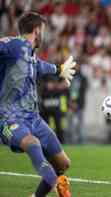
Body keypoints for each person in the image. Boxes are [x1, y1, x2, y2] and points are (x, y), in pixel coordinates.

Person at [0, 12, 76, 197]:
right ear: (37, 31)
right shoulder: (15, 45)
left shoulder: (30, 56)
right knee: (34, 147)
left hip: (34, 119)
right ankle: (46, 185)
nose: (45, 34)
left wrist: (59, 70)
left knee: (63, 164)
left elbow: (41, 66)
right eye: (43, 30)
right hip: (9, 118)